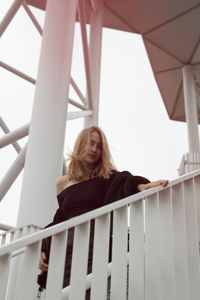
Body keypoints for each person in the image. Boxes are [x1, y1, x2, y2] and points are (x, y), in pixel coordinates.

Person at [38, 126, 168, 297]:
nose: (94, 149)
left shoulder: (107, 176)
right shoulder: (62, 182)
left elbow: (125, 183)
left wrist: (142, 185)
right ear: (81, 144)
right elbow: (60, 218)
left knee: (92, 292)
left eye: (99, 146)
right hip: (67, 251)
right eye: (91, 143)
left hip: (95, 245)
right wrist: (42, 246)